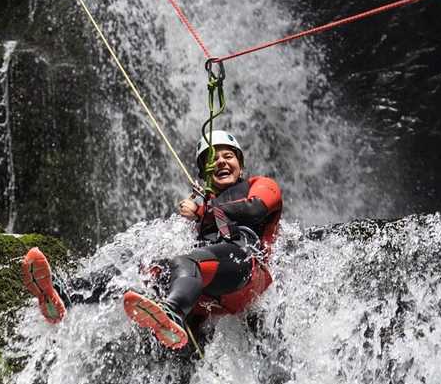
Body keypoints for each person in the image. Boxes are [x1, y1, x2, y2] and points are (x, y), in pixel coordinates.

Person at [22, 130, 283, 351]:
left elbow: (256, 209)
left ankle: (172, 313)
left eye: (229, 156)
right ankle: (64, 295)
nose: (222, 162)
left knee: (186, 261)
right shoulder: (201, 206)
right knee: (141, 269)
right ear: (205, 172)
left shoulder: (260, 184)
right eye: (214, 159)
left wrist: (204, 210)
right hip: (209, 291)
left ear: (240, 165)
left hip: (246, 268)